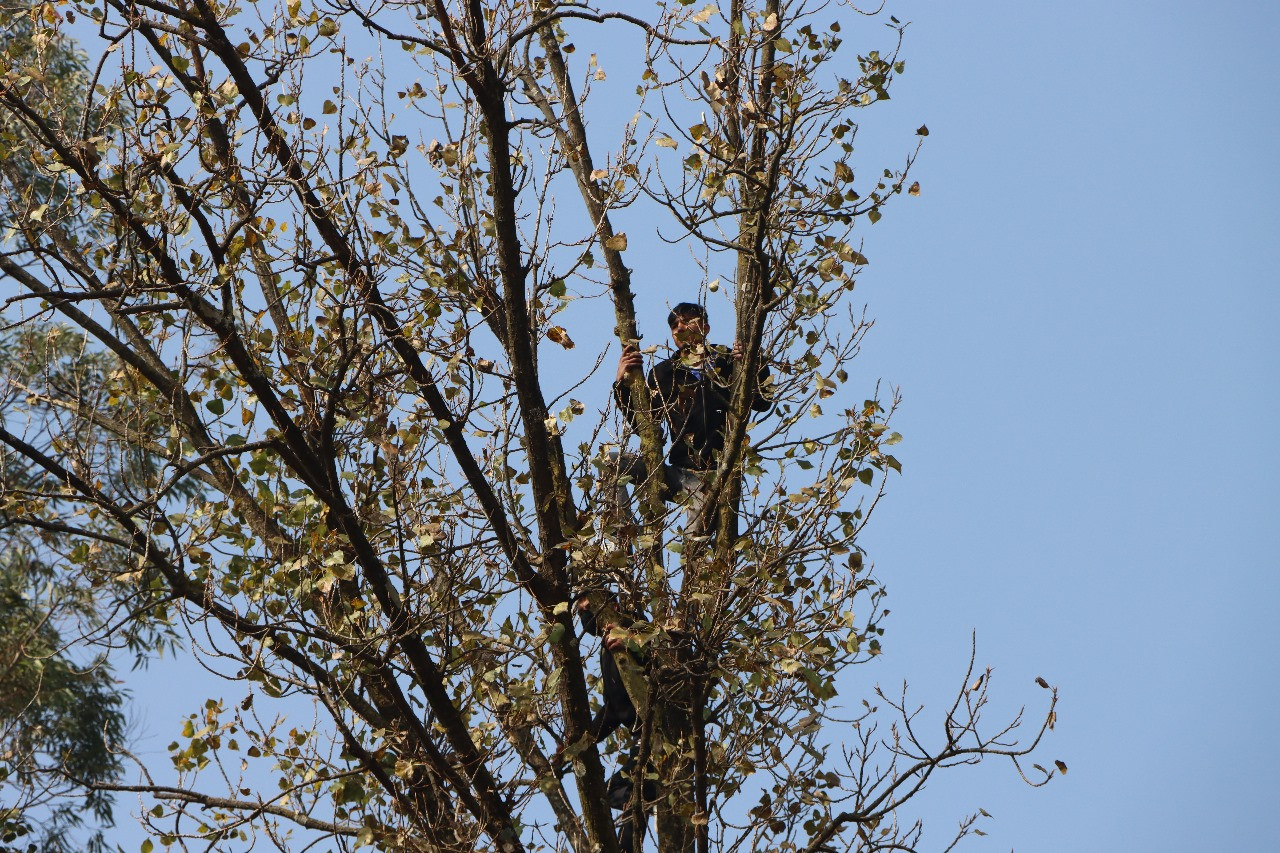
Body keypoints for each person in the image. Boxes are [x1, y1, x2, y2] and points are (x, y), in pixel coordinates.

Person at [612, 302, 771, 535]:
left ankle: (697, 567)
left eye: (686, 321)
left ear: (705, 327)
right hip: (678, 472)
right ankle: (621, 537)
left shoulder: (727, 360)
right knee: (612, 461)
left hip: (716, 473)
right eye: (674, 325)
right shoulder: (663, 373)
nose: (679, 327)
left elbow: (763, 402)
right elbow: (645, 424)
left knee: (695, 544)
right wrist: (621, 385)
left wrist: (754, 365)